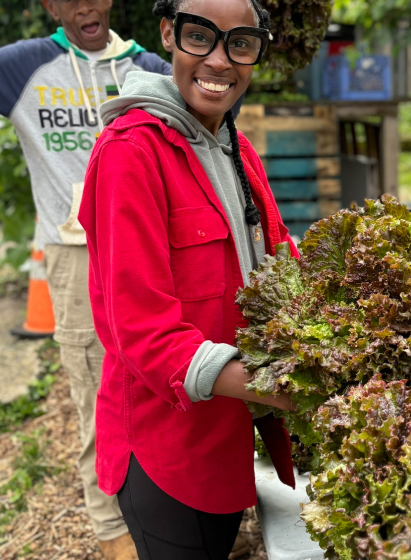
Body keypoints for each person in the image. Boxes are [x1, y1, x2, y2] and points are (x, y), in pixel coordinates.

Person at [0, 2, 171, 557]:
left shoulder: (152, 68)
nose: (84, 4)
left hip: (154, 252)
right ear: (50, 5)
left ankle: (172, 525)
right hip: (76, 256)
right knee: (98, 399)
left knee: (168, 389)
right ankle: (114, 539)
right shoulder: (24, 67)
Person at [77, 0, 298, 556]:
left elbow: (279, 259)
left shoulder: (237, 147)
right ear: (169, 35)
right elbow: (142, 333)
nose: (220, 61)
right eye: (201, 38)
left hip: (227, 432)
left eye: (241, 43)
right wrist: (286, 387)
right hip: (167, 445)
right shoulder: (131, 152)